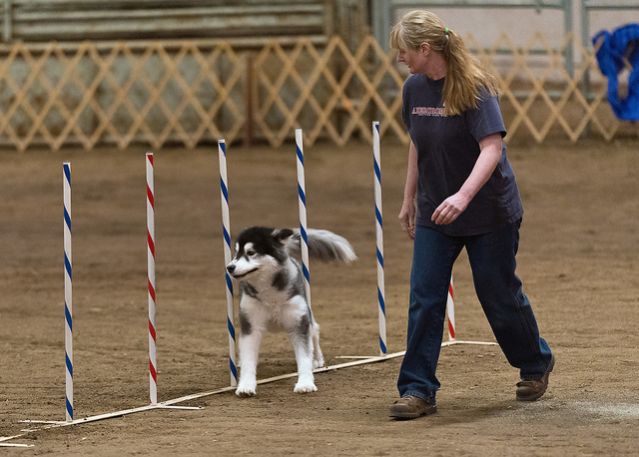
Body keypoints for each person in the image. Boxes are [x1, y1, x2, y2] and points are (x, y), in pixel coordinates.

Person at [388, 10, 554, 420]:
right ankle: (417, 389)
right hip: (435, 212)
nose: (400, 59)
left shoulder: (475, 88)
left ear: (425, 49)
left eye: (404, 51)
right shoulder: (413, 89)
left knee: (497, 294)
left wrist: (462, 196)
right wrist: (410, 198)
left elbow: (491, 149)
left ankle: (535, 362)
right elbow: (418, 145)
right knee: (425, 297)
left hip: (488, 211)